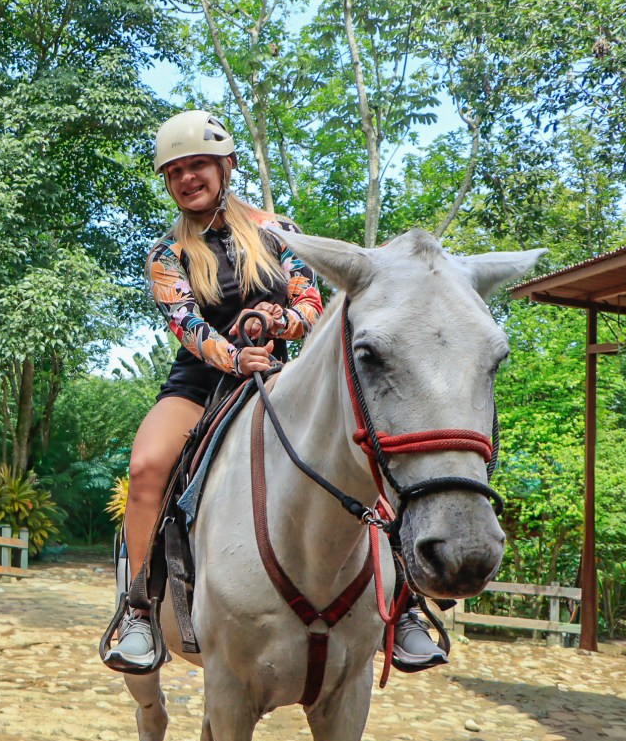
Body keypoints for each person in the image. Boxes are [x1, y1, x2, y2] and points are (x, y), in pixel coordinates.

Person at [101, 110, 448, 675]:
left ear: (226, 167)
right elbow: (186, 325)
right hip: (200, 384)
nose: (188, 179)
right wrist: (235, 356)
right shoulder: (166, 255)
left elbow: (311, 302)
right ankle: (138, 610)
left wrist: (280, 321)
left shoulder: (276, 230)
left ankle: (405, 608)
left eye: (198, 167)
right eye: (176, 172)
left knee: (368, 451)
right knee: (146, 467)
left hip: (283, 378)